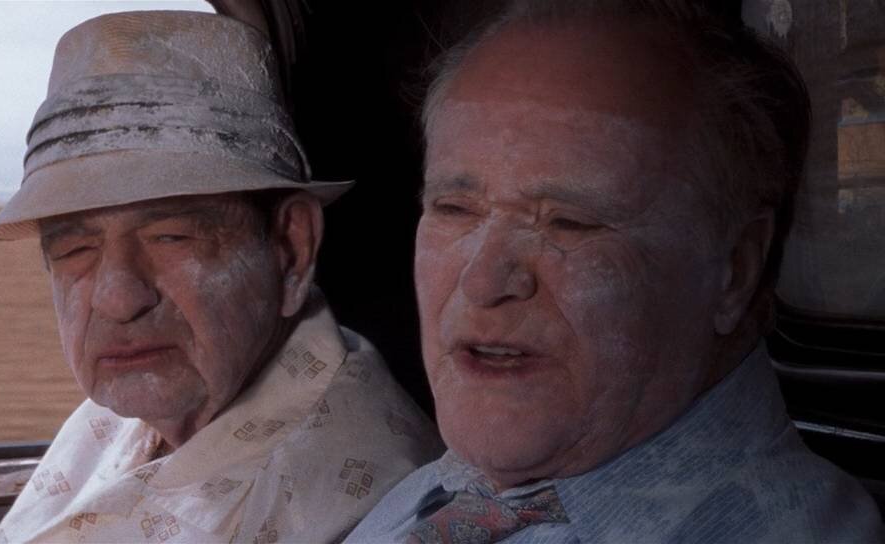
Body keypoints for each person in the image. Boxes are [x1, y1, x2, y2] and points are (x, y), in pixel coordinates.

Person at [347, 1, 885, 542]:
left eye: (568, 222)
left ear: (734, 271)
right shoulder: (458, 488)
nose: (482, 282)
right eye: (454, 209)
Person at [0, 10, 441, 543]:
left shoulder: (351, 507)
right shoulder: (132, 410)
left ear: (291, 249)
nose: (117, 298)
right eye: (75, 248)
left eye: (171, 236)